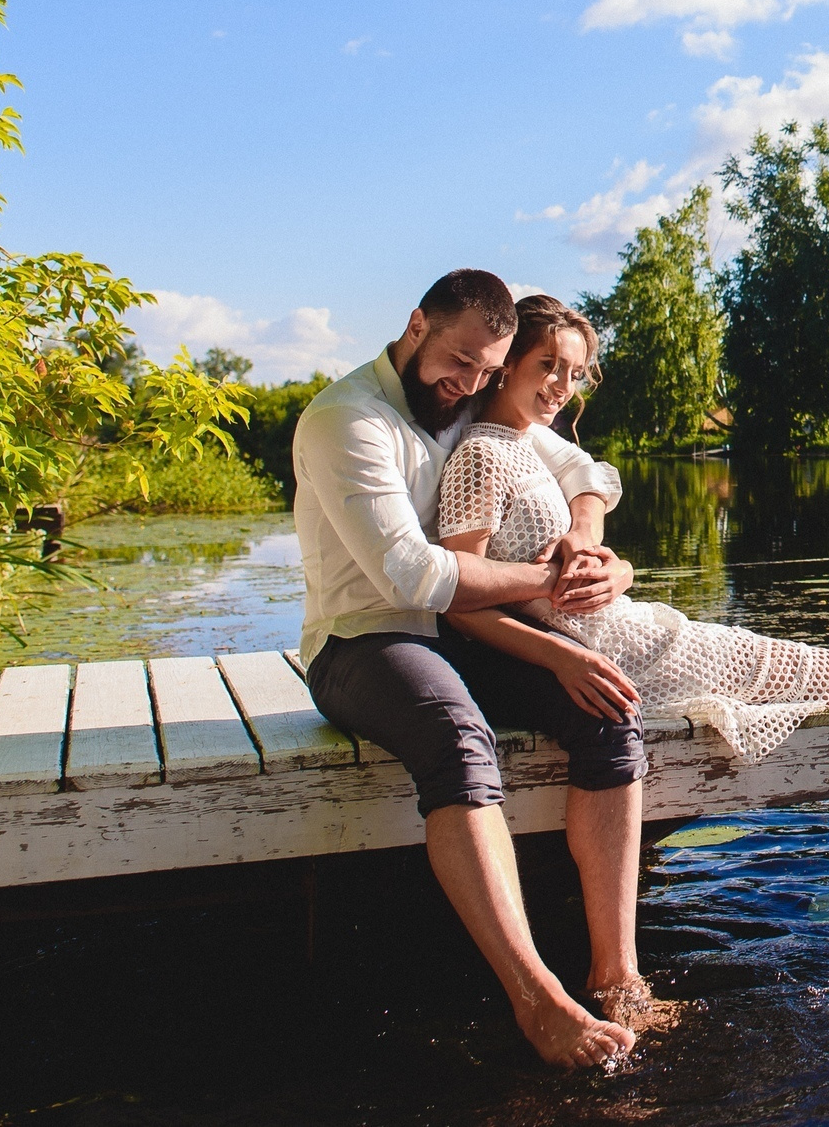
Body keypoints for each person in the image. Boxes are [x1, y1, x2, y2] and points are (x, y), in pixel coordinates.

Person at [436, 296, 829, 1017]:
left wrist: (607, 561)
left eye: (574, 373)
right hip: (611, 650)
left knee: (821, 676)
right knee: (825, 672)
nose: (560, 385)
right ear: (508, 362)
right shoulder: (483, 454)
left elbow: (586, 499)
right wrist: (557, 658)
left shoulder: (526, 445)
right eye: (547, 365)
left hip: (627, 632)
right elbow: (463, 595)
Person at [291, 268, 643, 1069]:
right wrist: (555, 582)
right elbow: (414, 577)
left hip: (467, 635)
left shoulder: (460, 402)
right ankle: (539, 1001)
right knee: (459, 735)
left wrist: (597, 556)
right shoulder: (348, 419)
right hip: (366, 640)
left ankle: (617, 972)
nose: (472, 384)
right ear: (416, 324)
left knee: (608, 710)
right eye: (460, 362)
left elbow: (586, 470)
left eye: (489, 371)